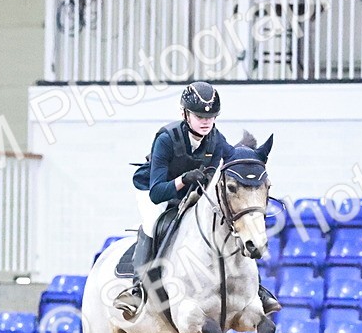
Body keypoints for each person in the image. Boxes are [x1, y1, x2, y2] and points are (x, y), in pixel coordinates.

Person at [114, 81, 279, 318]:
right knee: (152, 225)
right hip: (155, 189)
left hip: (191, 190)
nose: (206, 121)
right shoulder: (166, 138)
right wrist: (183, 179)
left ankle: (257, 288)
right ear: (184, 114)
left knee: (229, 224)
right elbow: (157, 192)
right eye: (199, 115)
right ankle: (138, 290)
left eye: (211, 116)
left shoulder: (215, 138)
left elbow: (220, 169)